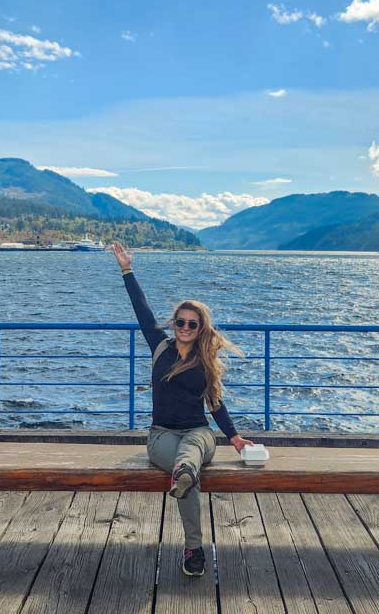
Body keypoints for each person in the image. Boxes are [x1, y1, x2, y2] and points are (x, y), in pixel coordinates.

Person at [111, 240, 255, 578]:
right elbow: (141, 308)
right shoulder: (160, 347)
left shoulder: (206, 362)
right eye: (181, 322)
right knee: (184, 469)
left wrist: (234, 438)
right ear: (174, 323)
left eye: (193, 324)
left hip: (199, 434)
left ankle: (186, 484)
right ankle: (194, 546)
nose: (185, 328)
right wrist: (126, 270)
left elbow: (215, 405)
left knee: (188, 456)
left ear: (201, 328)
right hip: (161, 436)